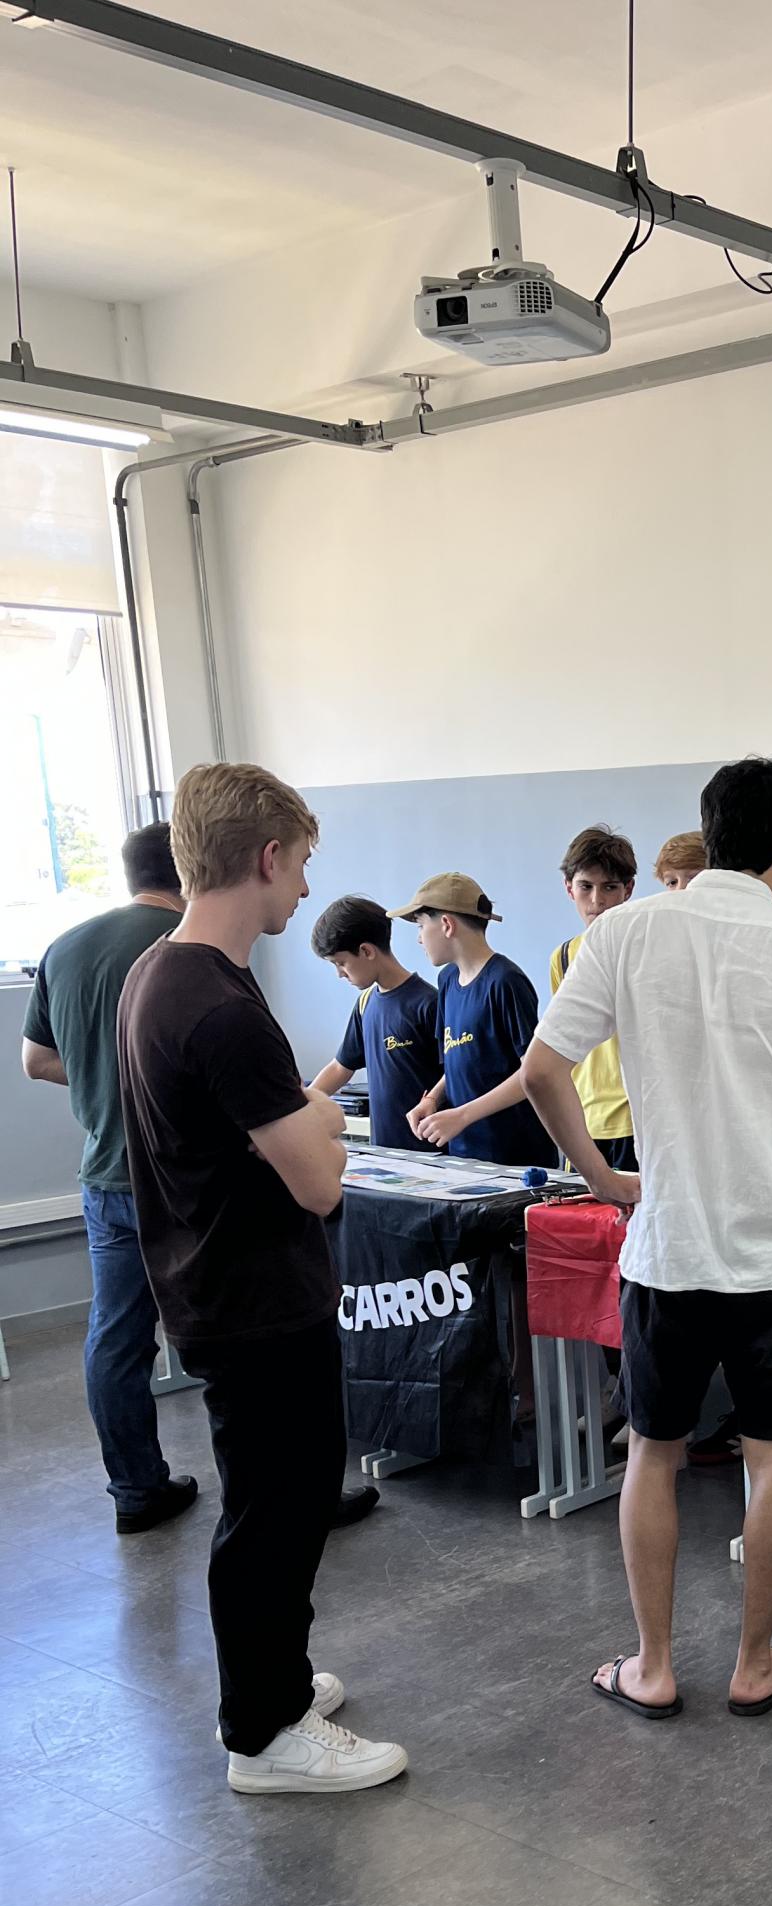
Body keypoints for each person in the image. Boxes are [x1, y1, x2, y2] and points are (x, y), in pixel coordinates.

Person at [523, 756, 772, 1720]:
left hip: (666, 1249)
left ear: (710, 838)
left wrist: (606, 1181)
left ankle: (653, 1665)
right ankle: (756, 1664)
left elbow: (543, 1071)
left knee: (653, 1452)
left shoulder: (624, 932)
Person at [116, 763, 407, 1794]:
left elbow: (276, 1130)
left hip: (222, 1287)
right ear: (269, 857)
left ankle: (272, 1680)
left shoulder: (164, 971)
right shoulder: (219, 1007)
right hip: (252, 1302)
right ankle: (264, 1732)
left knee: (276, 1499)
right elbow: (321, 1184)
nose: (305, 891)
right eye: (302, 866)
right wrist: (320, 1115)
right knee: (275, 1512)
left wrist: (300, 1113)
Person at [18, 822, 194, 1532]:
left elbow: (36, 1061)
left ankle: (136, 1492)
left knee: (116, 1341)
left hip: (105, 1180)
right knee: (239, 1337)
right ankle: (278, 1493)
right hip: (182, 1181)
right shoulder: (186, 945)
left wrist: (104, 1077)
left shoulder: (64, 948)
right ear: (187, 867)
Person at [397, 872, 555, 1166]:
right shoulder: (447, 980)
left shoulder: (506, 981)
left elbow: (533, 1073)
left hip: (515, 1156)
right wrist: (432, 1099)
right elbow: (461, 1060)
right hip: (465, 1152)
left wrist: (462, 1116)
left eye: (421, 926)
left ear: (447, 925)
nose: (419, 938)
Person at [306, 895, 441, 1150]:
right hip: (384, 1151)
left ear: (367, 951)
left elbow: (454, 1075)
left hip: (430, 1153)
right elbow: (341, 1067)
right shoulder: (365, 1004)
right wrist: (301, 1106)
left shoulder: (428, 1004)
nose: (339, 974)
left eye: (341, 963)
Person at [549, 825, 637, 1172]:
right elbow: (560, 1046)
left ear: (628, 889)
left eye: (609, 887)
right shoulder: (563, 958)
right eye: (586, 886)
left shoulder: (643, 950)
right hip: (583, 1119)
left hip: (636, 1119)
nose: (597, 901)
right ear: (568, 888)